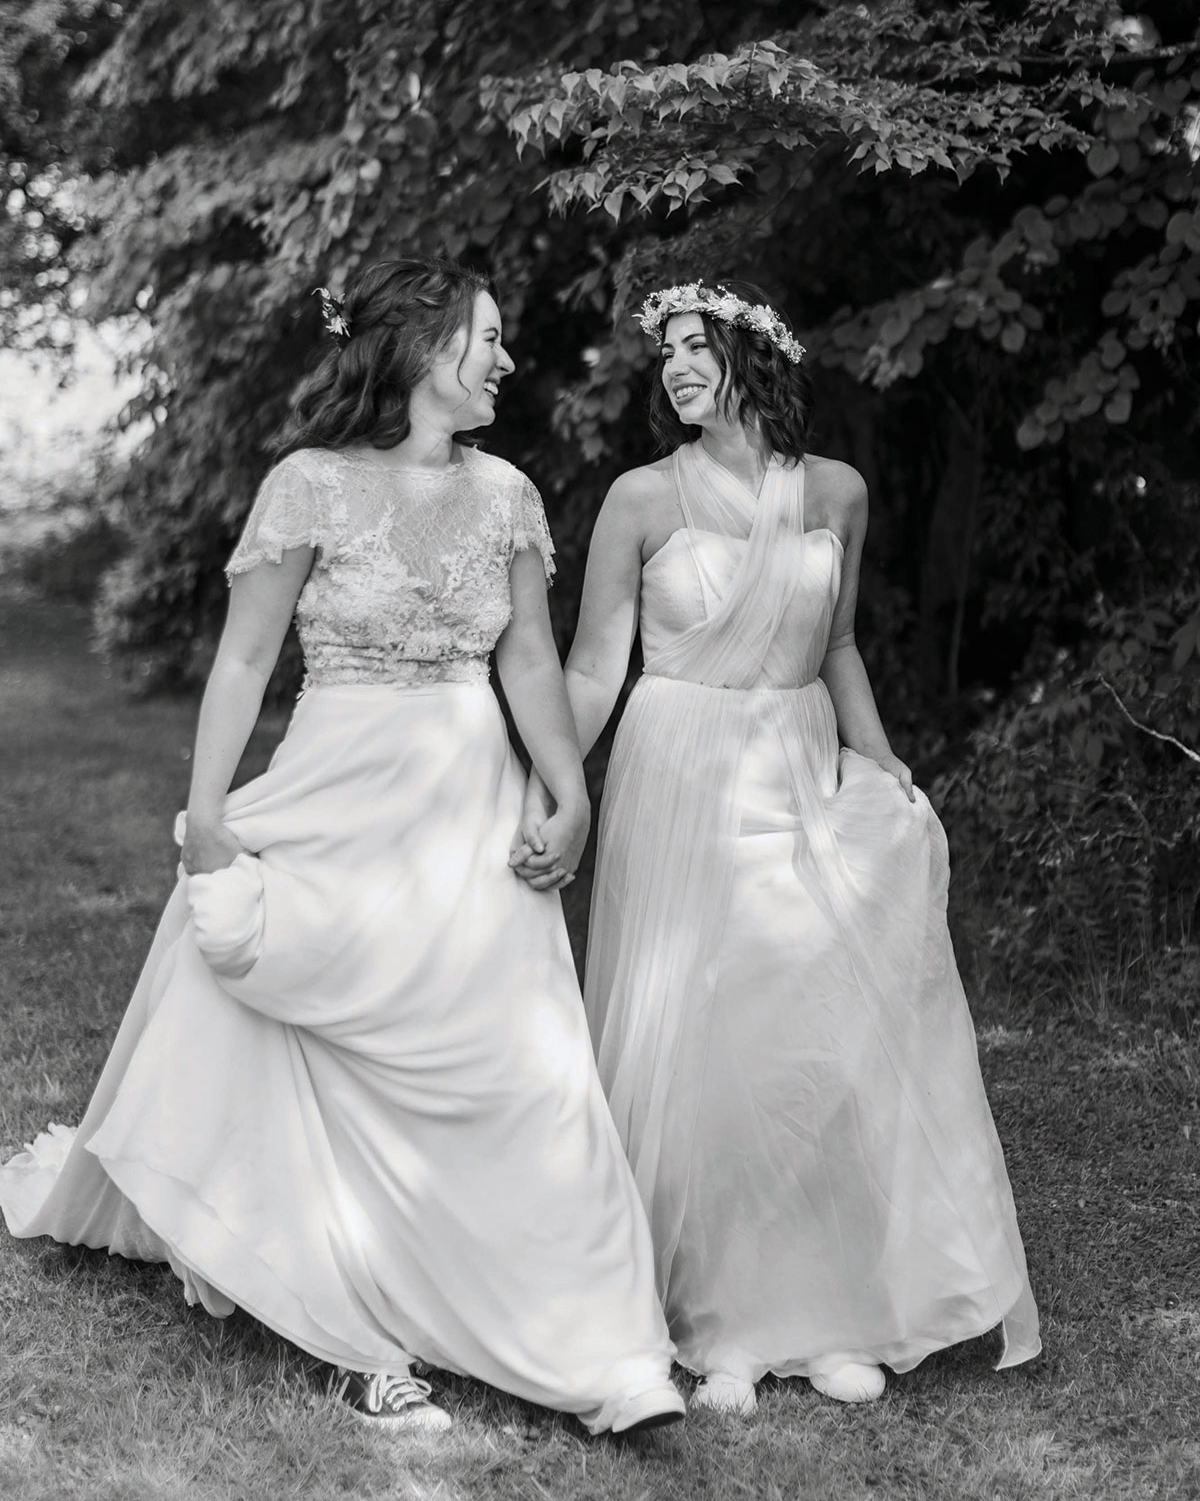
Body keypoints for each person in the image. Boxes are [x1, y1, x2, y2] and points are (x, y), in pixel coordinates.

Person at [0, 257, 684, 1438]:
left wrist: (569, 793)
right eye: (488, 336)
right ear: (423, 349)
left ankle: (606, 1353)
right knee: (293, 1029)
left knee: (521, 1073)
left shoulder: (509, 495)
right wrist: (208, 816)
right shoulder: (307, 485)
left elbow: (528, 656)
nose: (508, 359)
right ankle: (353, 1323)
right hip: (338, 790)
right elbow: (244, 657)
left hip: (469, 806)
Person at [514, 279, 1041, 1415]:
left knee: (807, 1033)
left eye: (694, 346)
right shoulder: (640, 498)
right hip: (678, 770)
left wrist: (881, 762)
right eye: (666, 352)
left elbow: (838, 644)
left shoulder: (837, 491)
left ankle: (819, 1312)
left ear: (752, 354)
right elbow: (597, 665)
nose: (674, 368)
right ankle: (717, 1324)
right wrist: (552, 781)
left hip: (799, 763)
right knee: (702, 1035)